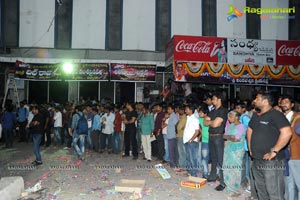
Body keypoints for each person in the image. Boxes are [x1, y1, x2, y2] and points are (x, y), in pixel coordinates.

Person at [247, 91, 292, 200]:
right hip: (256, 158)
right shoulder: (256, 115)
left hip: (272, 161)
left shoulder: (276, 115)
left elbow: (287, 132)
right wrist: (250, 149)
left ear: (265, 101)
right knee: (261, 190)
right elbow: (249, 130)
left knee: (274, 192)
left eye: (257, 99)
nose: (254, 101)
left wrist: (274, 151)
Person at [204, 92, 227, 191]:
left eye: (214, 99)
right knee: (213, 158)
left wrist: (211, 122)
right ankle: (212, 176)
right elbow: (205, 122)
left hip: (218, 137)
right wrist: (211, 122)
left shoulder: (223, 110)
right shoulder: (213, 110)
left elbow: (216, 124)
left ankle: (223, 182)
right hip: (211, 136)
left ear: (219, 99)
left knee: (221, 160)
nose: (212, 100)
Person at [280, 95, 300, 200]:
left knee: (299, 183)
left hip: (295, 155)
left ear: (292, 105)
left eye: (287, 102)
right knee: (289, 183)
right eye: (282, 102)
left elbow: (293, 135)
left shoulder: (297, 118)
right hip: (284, 155)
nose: (284, 104)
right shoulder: (280, 117)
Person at [223, 110, 246, 197]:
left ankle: (234, 189)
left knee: (236, 169)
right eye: (228, 117)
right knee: (227, 168)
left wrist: (229, 137)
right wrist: (230, 138)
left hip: (237, 151)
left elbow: (237, 139)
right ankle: (229, 188)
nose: (229, 118)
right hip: (228, 150)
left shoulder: (241, 126)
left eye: (231, 116)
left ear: (236, 117)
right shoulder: (230, 126)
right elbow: (224, 136)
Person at [183, 104, 200, 177]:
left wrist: (191, 140)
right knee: (188, 158)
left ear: (191, 110)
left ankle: (194, 174)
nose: (185, 110)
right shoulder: (188, 118)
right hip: (186, 141)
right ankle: (190, 172)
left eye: (187, 109)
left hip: (192, 142)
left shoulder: (195, 119)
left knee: (193, 158)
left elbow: (197, 131)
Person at [198, 104, 209, 179]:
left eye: (201, 112)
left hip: (211, 140)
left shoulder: (209, 119)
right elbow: (198, 128)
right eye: (199, 112)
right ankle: (205, 173)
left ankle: (207, 173)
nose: (199, 114)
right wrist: (201, 135)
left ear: (205, 113)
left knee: (206, 158)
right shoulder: (199, 119)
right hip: (204, 141)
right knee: (204, 158)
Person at [176, 106, 187, 171]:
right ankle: (182, 165)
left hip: (182, 135)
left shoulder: (184, 118)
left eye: (180, 110)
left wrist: (180, 127)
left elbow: (178, 127)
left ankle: (183, 166)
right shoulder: (182, 118)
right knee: (181, 151)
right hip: (180, 135)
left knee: (181, 151)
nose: (179, 111)